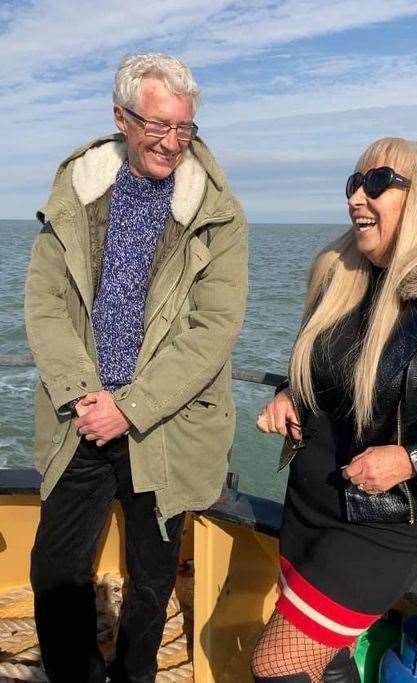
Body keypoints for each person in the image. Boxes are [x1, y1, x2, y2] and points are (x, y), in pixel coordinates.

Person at [253, 137, 417, 683]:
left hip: (385, 521)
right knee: (323, 662)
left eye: (378, 183)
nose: (358, 196)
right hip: (312, 501)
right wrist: (292, 395)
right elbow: (334, 374)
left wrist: (412, 461)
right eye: (354, 182)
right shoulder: (340, 275)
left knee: (274, 668)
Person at [25, 53, 248, 683]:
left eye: (185, 129)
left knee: (152, 581)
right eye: (158, 126)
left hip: (166, 427)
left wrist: (131, 405)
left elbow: (214, 331)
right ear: (121, 118)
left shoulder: (220, 215)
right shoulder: (76, 194)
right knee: (54, 568)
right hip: (84, 419)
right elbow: (44, 305)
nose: (172, 143)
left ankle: (134, 676)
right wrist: (85, 395)